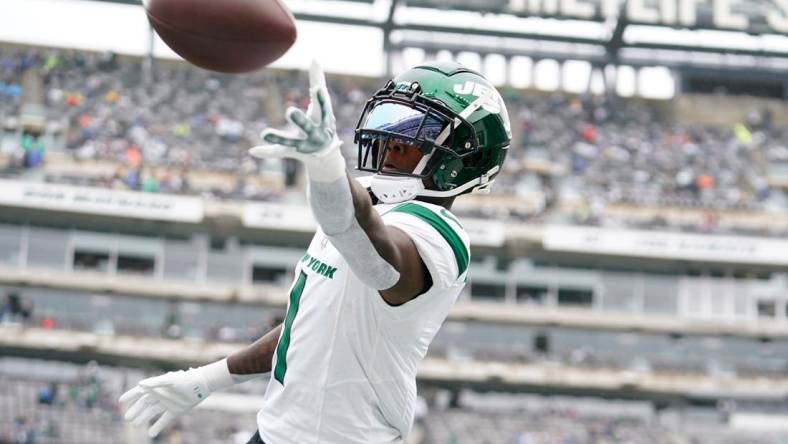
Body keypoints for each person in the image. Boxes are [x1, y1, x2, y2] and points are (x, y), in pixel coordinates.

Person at [119, 60, 511, 444]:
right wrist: (210, 378)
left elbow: (378, 262)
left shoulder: (439, 234)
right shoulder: (364, 210)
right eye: (392, 123)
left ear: (464, 159)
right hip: (274, 431)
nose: (391, 140)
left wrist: (328, 170)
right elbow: (306, 324)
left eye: (413, 132)